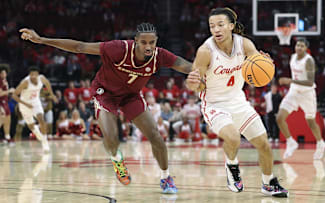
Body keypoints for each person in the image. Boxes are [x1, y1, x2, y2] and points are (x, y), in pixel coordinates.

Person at [19, 22, 193, 193]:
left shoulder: (159, 55)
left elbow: (183, 65)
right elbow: (80, 46)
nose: (148, 46)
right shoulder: (118, 49)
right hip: (105, 93)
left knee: (156, 137)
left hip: (131, 96)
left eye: (152, 42)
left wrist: (204, 71)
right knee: (111, 137)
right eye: (144, 42)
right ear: (135, 41)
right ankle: (117, 161)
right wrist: (41, 40)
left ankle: (165, 177)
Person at [186, 8, 288, 197]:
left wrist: (264, 63)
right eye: (212, 26)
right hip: (214, 105)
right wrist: (194, 84)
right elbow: (195, 84)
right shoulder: (205, 51)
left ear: (231, 26)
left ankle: (268, 183)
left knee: (264, 144)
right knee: (233, 137)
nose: (215, 29)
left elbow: (258, 66)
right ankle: (231, 166)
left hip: (238, 101)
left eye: (220, 25)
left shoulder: (245, 44)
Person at [276, 38, 325, 160]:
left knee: (311, 122)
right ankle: (291, 142)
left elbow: (310, 82)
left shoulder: (309, 61)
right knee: (279, 118)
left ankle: (320, 143)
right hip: (294, 92)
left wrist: (290, 81)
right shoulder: (293, 57)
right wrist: (292, 83)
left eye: (302, 46)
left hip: (307, 94)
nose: (299, 47)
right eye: (298, 45)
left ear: (306, 48)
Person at [12, 66, 57, 152]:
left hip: (35, 102)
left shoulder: (42, 78)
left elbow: (47, 84)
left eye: (35, 75)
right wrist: (26, 104)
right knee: (31, 125)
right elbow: (14, 95)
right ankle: (35, 131)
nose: (33, 76)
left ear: (38, 75)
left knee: (41, 119)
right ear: (29, 75)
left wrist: (52, 95)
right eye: (31, 75)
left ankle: (45, 142)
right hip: (25, 103)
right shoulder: (25, 82)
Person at [0, 64, 15, 143]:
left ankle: (7, 137)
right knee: (1, 119)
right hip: (0, 102)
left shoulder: (5, 80)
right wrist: (9, 91)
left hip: (5, 101)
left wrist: (10, 94)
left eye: (5, 73)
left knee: (8, 119)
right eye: (2, 73)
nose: (4, 74)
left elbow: (5, 92)